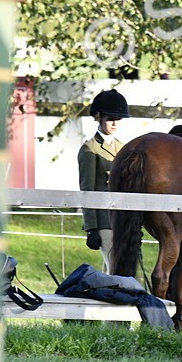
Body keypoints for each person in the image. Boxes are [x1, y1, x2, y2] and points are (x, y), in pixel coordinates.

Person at [78, 88, 129, 273]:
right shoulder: (89, 149)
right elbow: (87, 190)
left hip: (122, 218)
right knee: (116, 268)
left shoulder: (125, 148)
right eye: (110, 118)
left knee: (111, 271)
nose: (115, 123)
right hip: (104, 220)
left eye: (118, 119)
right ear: (98, 117)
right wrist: (91, 227)